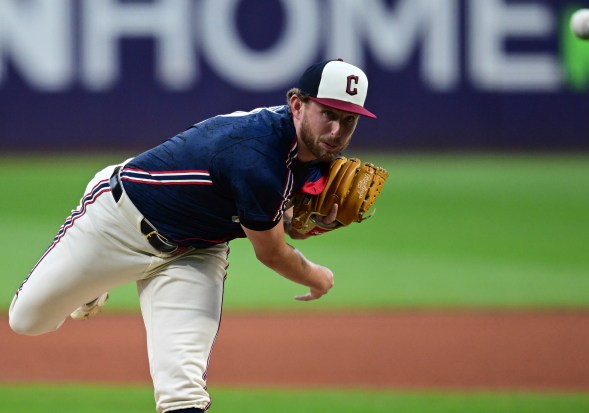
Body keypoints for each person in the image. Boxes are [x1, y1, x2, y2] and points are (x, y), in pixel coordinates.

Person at [8, 59, 376, 413]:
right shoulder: (256, 154)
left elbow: (281, 218)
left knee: (181, 387)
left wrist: (306, 223)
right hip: (118, 223)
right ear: (297, 105)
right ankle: (96, 280)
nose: (336, 131)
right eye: (328, 114)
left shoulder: (316, 158)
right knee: (26, 321)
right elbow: (273, 253)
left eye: (348, 120)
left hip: (195, 252)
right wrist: (317, 277)